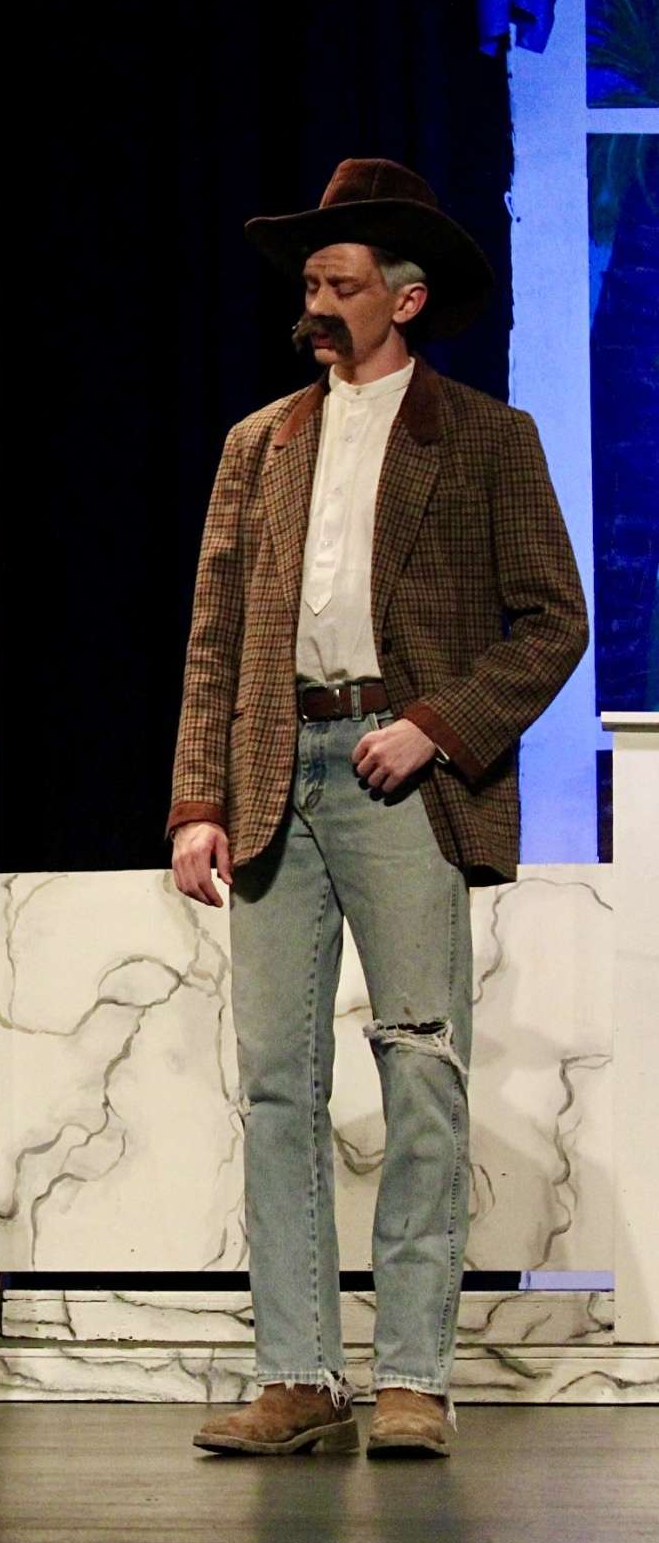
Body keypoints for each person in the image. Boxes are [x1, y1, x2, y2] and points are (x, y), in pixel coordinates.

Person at [172, 160, 588, 1458]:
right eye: (308, 283)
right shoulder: (259, 442)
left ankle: (412, 1374)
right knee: (276, 1085)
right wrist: (196, 799)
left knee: (419, 1066)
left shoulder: (485, 438)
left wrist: (436, 724)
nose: (315, 304)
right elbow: (214, 634)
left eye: (339, 284)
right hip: (272, 771)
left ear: (402, 299)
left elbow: (553, 620)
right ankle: (297, 1373)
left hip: (399, 772)